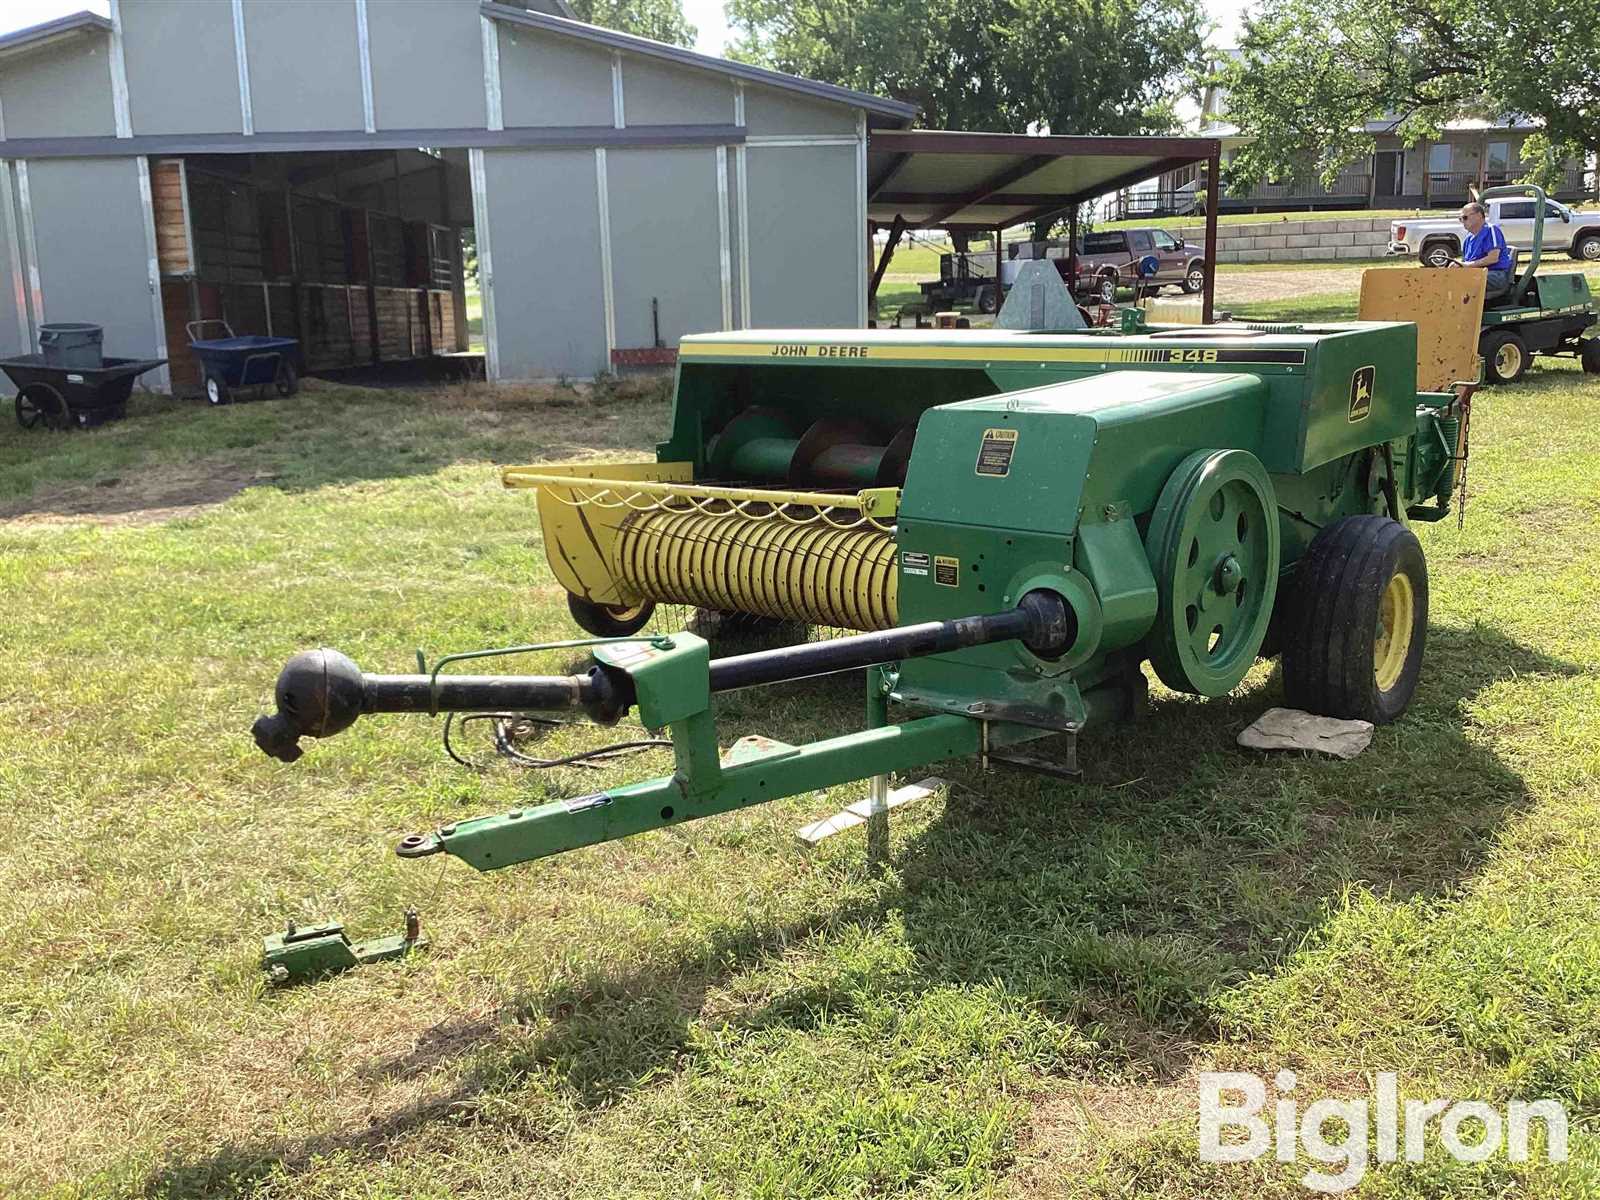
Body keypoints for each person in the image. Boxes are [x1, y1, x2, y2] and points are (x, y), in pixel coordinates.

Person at [1458, 201, 1514, 295]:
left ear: (1479, 215)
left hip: (1495, 274)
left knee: (1463, 279)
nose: (1463, 221)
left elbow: (1493, 258)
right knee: (1449, 277)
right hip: (1477, 272)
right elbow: (1465, 262)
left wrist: (1467, 266)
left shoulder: (1491, 230)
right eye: (1461, 219)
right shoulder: (1468, 238)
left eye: (1465, 217)